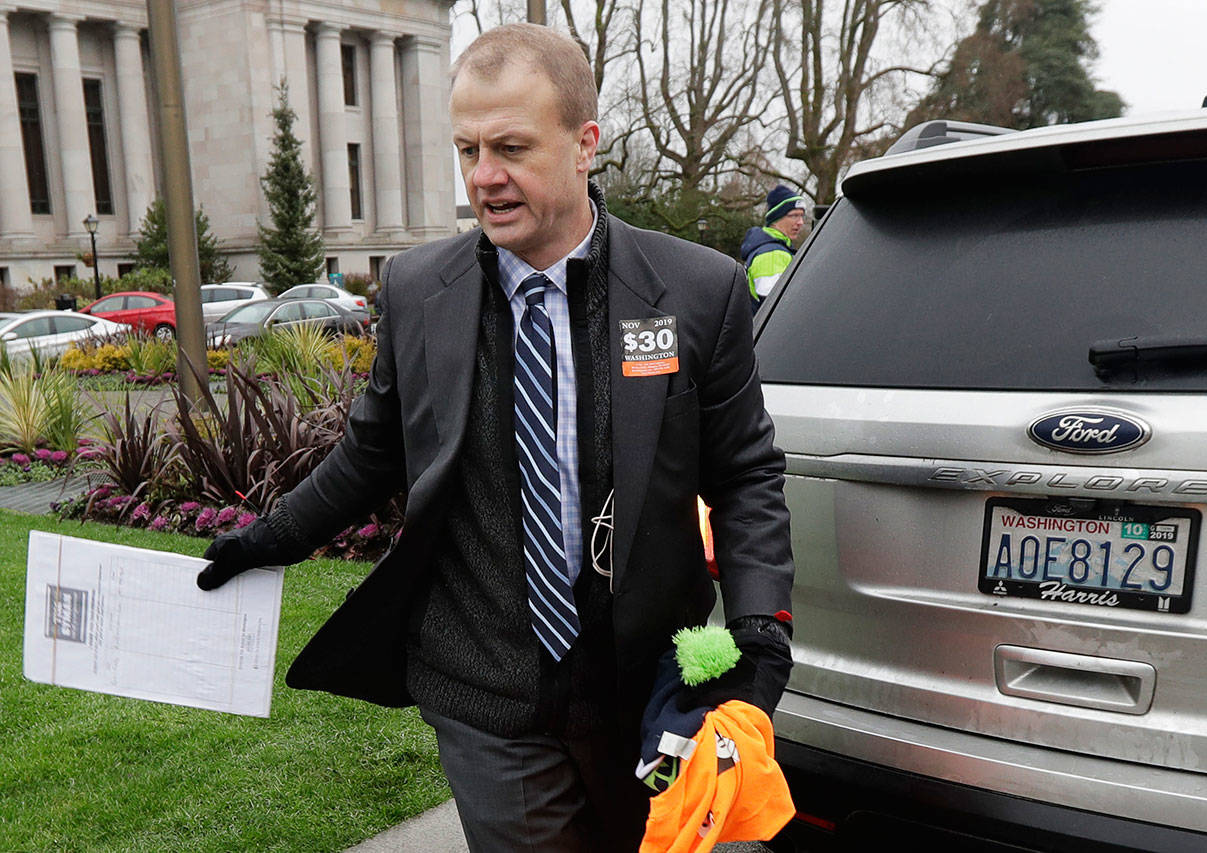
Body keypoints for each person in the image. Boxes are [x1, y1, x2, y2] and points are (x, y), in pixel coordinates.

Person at [196, 22, 793, 852]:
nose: (484, 177)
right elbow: (374, 452)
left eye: (510, 147)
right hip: (483, 688)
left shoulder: (696, 291)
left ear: (585, 144)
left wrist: (763, 624)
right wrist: (269, 537)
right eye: (467, 149)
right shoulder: (417, 290)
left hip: (644, 688)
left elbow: (745, 473)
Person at [739, 184, 805, 313]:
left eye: (802, 216)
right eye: (794, 215)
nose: (800, 222)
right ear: (776, 218)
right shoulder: (772, 254)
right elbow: (777, 309)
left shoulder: (774, 248)